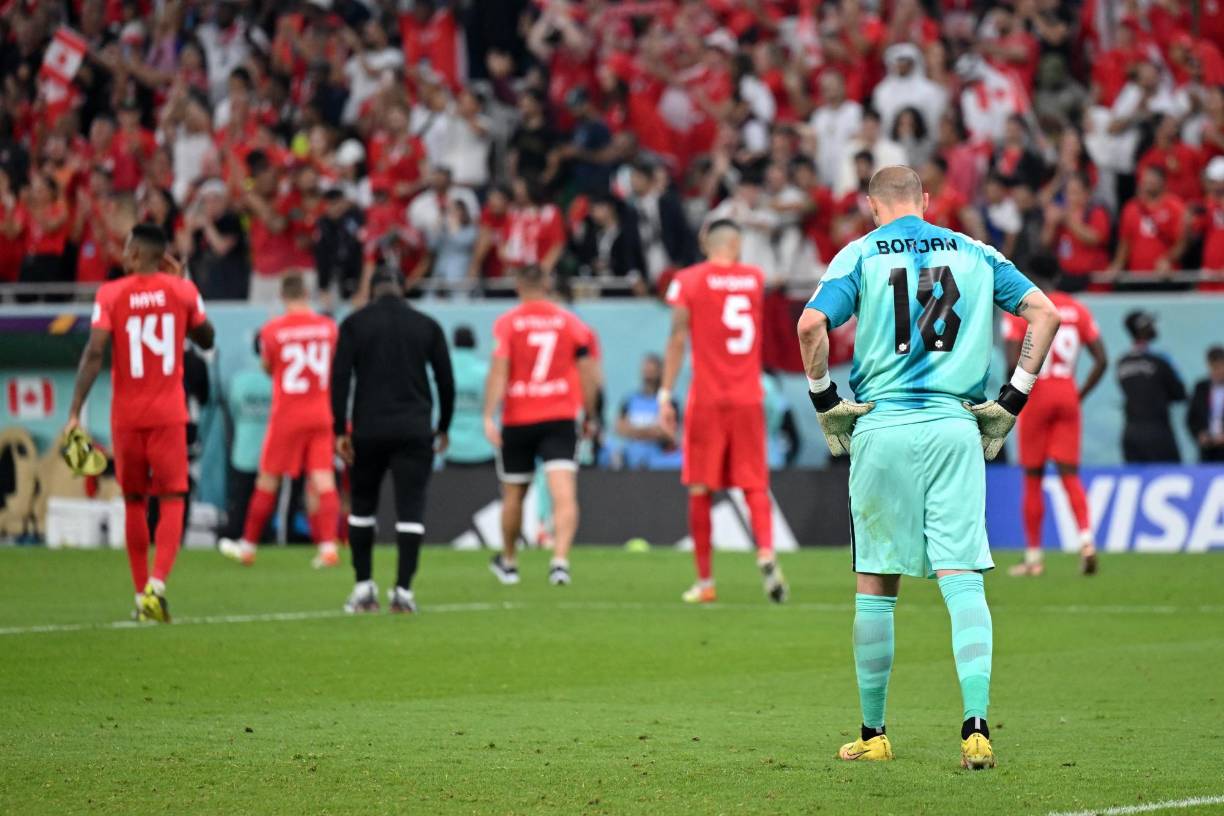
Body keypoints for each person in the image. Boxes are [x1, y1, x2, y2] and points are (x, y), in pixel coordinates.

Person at [797, 165, 1061, 769]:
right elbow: (1045, 314)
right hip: (954, 427)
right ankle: (975, 728)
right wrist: (1014, 399)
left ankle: (874, 734)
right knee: (963, 577)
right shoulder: (976, 252)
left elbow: (811, 325)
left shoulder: (860, 253)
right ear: (925, 202)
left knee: (875, 584)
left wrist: (824, 401)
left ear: (873, 206)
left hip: (882, 428)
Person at [65, 223, 216, 622]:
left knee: (133, 500)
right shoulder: (181, 291)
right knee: (171, 499)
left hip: (126, 416)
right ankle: (158, 586)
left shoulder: (110, 294)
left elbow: (94, 353)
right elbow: (207, 339)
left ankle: (139, 594)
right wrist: (185, 286)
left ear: (134, 255)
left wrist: (75, 412)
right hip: (169, 413)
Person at [658, 219, 787, 605]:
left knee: (700, 487)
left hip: (708, 398)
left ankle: (706, 581)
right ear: (735, 242)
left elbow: (678, 336)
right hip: (750, 394)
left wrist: (665, 394)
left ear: (707, 243)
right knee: (753, 483)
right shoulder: (754, 278)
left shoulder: (688, 280)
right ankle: (765, 550)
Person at [331, 268, 455, 614]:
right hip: (414, 430)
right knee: (410, 511)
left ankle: (363, 589)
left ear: (371, 291)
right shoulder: (426, 325)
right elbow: (446, 380)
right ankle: (403, 592)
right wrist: (443, 426)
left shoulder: (355, 324)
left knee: (362, 508)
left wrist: (339, 430)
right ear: (403, 290)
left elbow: (339, 379)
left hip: (368, 430)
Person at [482, 266, 599, 586]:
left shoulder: (508, 322)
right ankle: (559, 561)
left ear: (518, 285)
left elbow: (499, 370)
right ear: (547, 284)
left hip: (519, 416)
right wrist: (589, 415)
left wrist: (488, 415)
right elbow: (587, 371)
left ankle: (509, 562)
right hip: (560, 415)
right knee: (563, 491)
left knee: (514, 494)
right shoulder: (569, 321)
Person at [218, 274, 341, 569]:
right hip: (321, 412)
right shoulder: (328, 328)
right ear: (307, 294)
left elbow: (269, 368)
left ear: (283, 297)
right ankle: (328, 548)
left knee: (268, 479)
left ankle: (247, 547)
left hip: (288, 414)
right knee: (323, 478)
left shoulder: (273, 330)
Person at [1001, 256, 1107, 577]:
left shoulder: (1023, 310)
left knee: (1033, 478)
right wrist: (1079, 394)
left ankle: (1034, 559)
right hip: (1066, 394)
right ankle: (1086, 542)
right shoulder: (1077, 309)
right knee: (1069, 475)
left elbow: (1010, 361)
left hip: (1036, 395)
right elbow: (1102, 359)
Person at [221, 335, 273, 543]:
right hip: (270, 452)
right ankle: (262, 539)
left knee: (240, 502)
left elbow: (233, 414)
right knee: (267, 502)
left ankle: (238, 536)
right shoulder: (277, 381)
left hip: (242, 450)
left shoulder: (238, 381)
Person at [1117, 311, 1187, 463]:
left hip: (1131, 432)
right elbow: (1180, 393)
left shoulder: (1122, 362)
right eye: (1150, 324)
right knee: (1169, 475)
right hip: (1158, 432)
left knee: (1135, 479)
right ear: (1144, 329)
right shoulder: (1161, 360)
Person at [614, 354, 680, 470]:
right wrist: (653, 431)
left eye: (652, 371)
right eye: (646, 371)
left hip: (659, 459)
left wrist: (635, 431)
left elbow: (671, 433)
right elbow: (620, 428)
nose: (648, 375)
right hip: (632, 457)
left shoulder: (669, 402)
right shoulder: (629, 400)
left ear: (660, 372)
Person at [446, 326, 495, 468]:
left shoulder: (441, 373)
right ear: (475, 343)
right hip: (483, 447)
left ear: (453, 343)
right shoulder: (486, 372)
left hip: (452, 448)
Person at [1188, 346, 1224, 463]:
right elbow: (1191, 418)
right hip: (1207, 450)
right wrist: (1199, 434)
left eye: (1220, 367)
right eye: (1213, 367)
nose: (1217, 371)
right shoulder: (1201, 387)